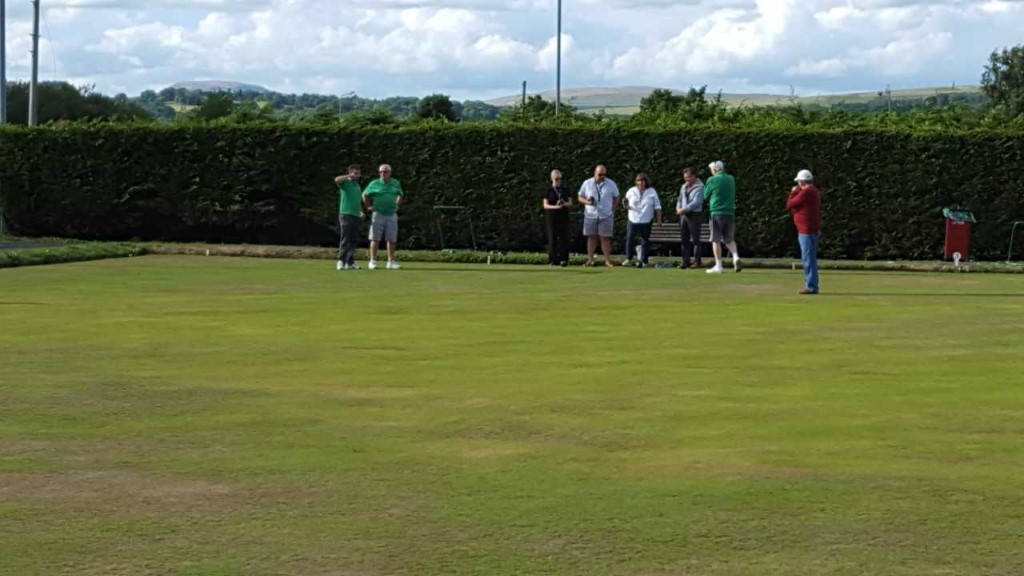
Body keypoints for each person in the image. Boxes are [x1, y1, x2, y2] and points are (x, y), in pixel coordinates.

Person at [362, 164, 403, 270]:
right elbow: (365, 194)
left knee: (392, 239)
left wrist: (397, 205)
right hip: (378, 213)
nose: (383, 174)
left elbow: (400, 194)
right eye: (381, 172)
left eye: (385, 172)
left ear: (390, 172)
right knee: (375, 238)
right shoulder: (374, 183)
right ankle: (373, 261)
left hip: (391, 214)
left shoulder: (395, 183)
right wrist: (369, 207)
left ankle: (390, 261)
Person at [703, 160, 742, 273]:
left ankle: (719, 265)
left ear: (715, 169)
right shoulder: (731, 178)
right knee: (729, 239)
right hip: (730, 212)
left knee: (716, 240)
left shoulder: (712, 179)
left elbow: (705, 195)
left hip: (717, 211)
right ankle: (736, 257)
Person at [787, 169, 822, 294]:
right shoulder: (813, 191)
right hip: (809, 229)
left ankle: (811, 286)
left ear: (801, 182)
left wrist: (793, 193)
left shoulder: (806, 192)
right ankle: (812, 284)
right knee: (810, 257)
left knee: (808, 258)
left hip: (806, 230)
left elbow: (790, 204)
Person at [577, 164, 620, 267]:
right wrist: (587, 202)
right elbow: (580, 196)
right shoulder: (587, 183)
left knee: (605, 238)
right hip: (590, 214)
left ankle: (607, 261)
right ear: (595, 173)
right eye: (600, 174)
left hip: (606, 215)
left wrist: (613, 209)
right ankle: (590, 260)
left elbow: (617, 196)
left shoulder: (611, 184)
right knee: (591, 237)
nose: (602, 176)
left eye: (604, 174)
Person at [622, 172, 662, 267]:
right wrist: (625, 205)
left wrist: (659, 220)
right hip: (633, 219)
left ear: (646, 182)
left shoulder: (652, 191)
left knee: (645, 240)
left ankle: (644, 261)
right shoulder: (631, 191)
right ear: (636, 182)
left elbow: (657, 206)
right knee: (630, 238)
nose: (641, 182)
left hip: (646, 219)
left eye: (643, 180)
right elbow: (626, 204)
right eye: (639, 180)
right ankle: (629, 258)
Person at [333, 164, 363, 270]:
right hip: (345, 213)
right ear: (350, 172)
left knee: (353, 239)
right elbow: (337, 180)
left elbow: (357, 200)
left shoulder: (357, 186)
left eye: (358, 173)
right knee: (345, 238)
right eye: (355, 173)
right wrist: (348, 176)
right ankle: (341, 260)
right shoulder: (345, 183)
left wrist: (360, 211)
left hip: (355, 214)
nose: (357, 175)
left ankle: (350, 262)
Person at [543, 169, 573, 266]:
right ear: (552, 179)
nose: (558, 181)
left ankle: (563, 259)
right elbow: (545, 205)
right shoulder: (548, 190)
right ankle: (552, 259)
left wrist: (564, 203)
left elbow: (570, 203)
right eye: (556, 179)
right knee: (552, 237)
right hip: (551, 216)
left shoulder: (565, 189)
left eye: (560, 178)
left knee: (563, 237)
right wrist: (555, 207)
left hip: (563, 216)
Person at [675, 167, 704, 269]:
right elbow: (679, 199)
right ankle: (685, 261)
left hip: (694, 215)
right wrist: (678, 208)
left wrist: (685, 209)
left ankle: (697, 261)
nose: (686, 179)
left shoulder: (700, 187)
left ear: (694, 176)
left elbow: (697, 202)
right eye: (685, 177)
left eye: (688, 177)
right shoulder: (683, 186)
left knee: (696, 240)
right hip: (683, 216)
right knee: (684, 240)